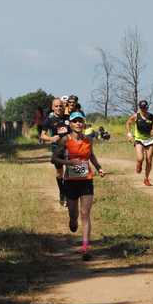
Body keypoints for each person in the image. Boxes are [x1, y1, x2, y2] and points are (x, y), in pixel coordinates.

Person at [51, 111, 105, 259]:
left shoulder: (88, 140)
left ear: (84, 123)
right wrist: (69, 162)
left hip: (86, 180)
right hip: (70, 182)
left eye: (81, 121)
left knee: (85, 214)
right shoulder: (65, 140)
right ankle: (72, 219)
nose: (78, 124)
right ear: (71, 124)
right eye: (75, 121)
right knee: (74, 214)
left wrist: (98, 167)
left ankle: (86, 248)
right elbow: (53, 158)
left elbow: (91, 155)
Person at [126, 99, 153, 186]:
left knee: (149, 160)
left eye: (145, 108)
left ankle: (146, 179)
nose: (144, 110)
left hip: (149, 140)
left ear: (147, 107)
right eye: (142, 108)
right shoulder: (135, 116)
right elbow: (128, 123)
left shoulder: (152, 117)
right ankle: (139, 164)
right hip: (139, 140)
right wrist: (129, 133)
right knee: (140, 158)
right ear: (139, 108)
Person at [40, 98, 68, 205]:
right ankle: (62, 192)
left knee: (70, 171)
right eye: (56, 106)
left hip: (69, 148)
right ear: (52, 108)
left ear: (63, 107)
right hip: (57, 148)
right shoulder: (49, 120)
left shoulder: (68, 118)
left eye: (60, 106)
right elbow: (42, 135)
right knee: (59, 172)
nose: (59, 108)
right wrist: (51, 139)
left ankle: (68, 194)